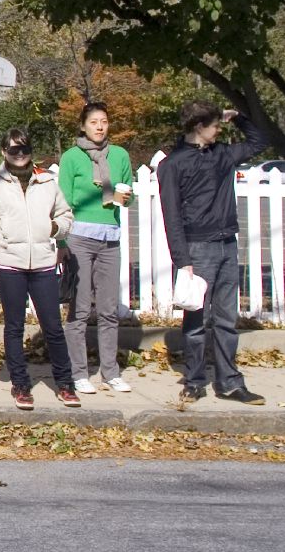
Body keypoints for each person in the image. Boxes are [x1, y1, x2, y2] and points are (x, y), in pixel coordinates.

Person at [158, 101, 269, 407]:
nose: (219, 129)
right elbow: (171, 215)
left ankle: (230, 383)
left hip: (226, 244)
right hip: (197, 248)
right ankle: (194, 382)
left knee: (226, 320)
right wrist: (183, 260)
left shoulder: (222, 154)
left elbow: (259, 142)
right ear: (198, 127)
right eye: (215, 124)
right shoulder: (174, 164)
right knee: (195, 322)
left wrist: (239, 117)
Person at [0, 128, 77, 409]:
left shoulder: (47, 182)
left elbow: (65, 215)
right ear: (3, 153)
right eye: (13, 150)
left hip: (43, 264)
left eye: (24, 149)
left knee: (53, 327)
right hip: (9, 265)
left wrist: (57, 228)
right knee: (14, 327)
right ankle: (20, 384)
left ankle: (65, 384)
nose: (19, 155)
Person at [58, 102, 136, 394]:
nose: (100, 126)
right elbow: (62, 200)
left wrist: (126, 198)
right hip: (79, 237)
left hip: (110, 237)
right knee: (78, 309)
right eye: (93, 122)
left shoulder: (120, 155)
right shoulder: (71, 157)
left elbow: (129, 194)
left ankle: (110, 372)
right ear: (83, 126)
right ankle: (78, 372)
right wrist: (61, 242)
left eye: (104, 121)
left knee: (108, 309)